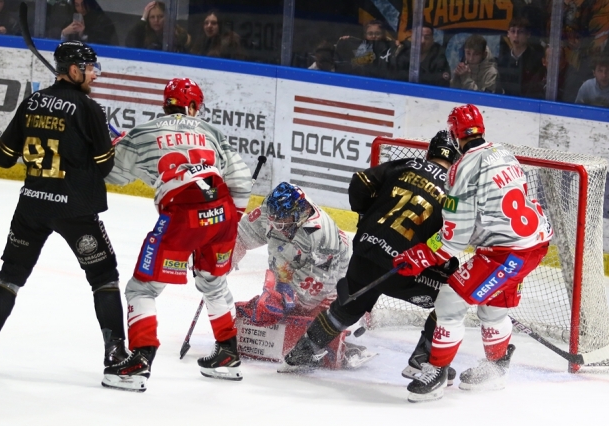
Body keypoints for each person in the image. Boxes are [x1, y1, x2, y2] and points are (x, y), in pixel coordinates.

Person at [0, 41, 129, 384]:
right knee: (104, 278)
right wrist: (103, 147)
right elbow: (104, 165)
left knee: (10, 275)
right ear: (73, 70)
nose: (93, 74)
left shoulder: (32, 102)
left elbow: (3, 157)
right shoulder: (89, 109)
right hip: (76, 210)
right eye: (88, 67)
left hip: (33, 206)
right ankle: (115, 356)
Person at [392, 104, 552, 402]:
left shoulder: (462, 169)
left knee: (450, 302)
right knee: (492, 308)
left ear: (455, 135)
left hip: (506, 253)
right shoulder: (503, 152)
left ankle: (436, 373)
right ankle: (496, 368)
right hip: (535, 243)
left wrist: (421, 255)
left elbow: (453, 240)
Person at [103, 78, 252, 390]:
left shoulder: (143, 132)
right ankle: (228, 353)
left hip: (183, 216)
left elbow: (113, 174)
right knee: (213, 282)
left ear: (165, 104)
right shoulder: (212, 131)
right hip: (223, 211)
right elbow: (241, 179)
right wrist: (230, 224)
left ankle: (141, 360)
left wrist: (112, 147)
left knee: (141, 289)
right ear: (194, 106)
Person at [280, 131, 461, 385]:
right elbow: (451, 236)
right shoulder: (456, 190)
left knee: (349, 306)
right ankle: (425, 359)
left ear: (430, 151)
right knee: (453, 300)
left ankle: (301, 353)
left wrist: (365, 217)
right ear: (456, 159)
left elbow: (362, 181)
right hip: (403, 269)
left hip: (366, 254)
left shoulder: (407, 164)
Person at [233, 182, 373, 369]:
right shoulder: (272, 211)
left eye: (282, 222)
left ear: (299, 213)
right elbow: (240, 236)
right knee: (273, 304)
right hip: (290, 263)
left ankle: (348, 334)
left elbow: (315, 290)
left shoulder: (322, 235)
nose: (275, 226)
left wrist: (283, 300)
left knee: (316, 312)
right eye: (273, 220)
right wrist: (225, 257)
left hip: (337, 272)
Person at [496, 17, 545, 98]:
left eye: (520, 32)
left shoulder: (536, 60)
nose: (516, 36)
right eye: (513, 31)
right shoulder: (503, 61)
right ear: (508, 34)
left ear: (528, 34)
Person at [125, 1, 191, 52]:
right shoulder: (142, 34)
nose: (156, 20)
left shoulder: (178, 34)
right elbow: (130, 43)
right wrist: (143, 19)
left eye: (160, 16)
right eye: (152, 17)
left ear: (167, 17)